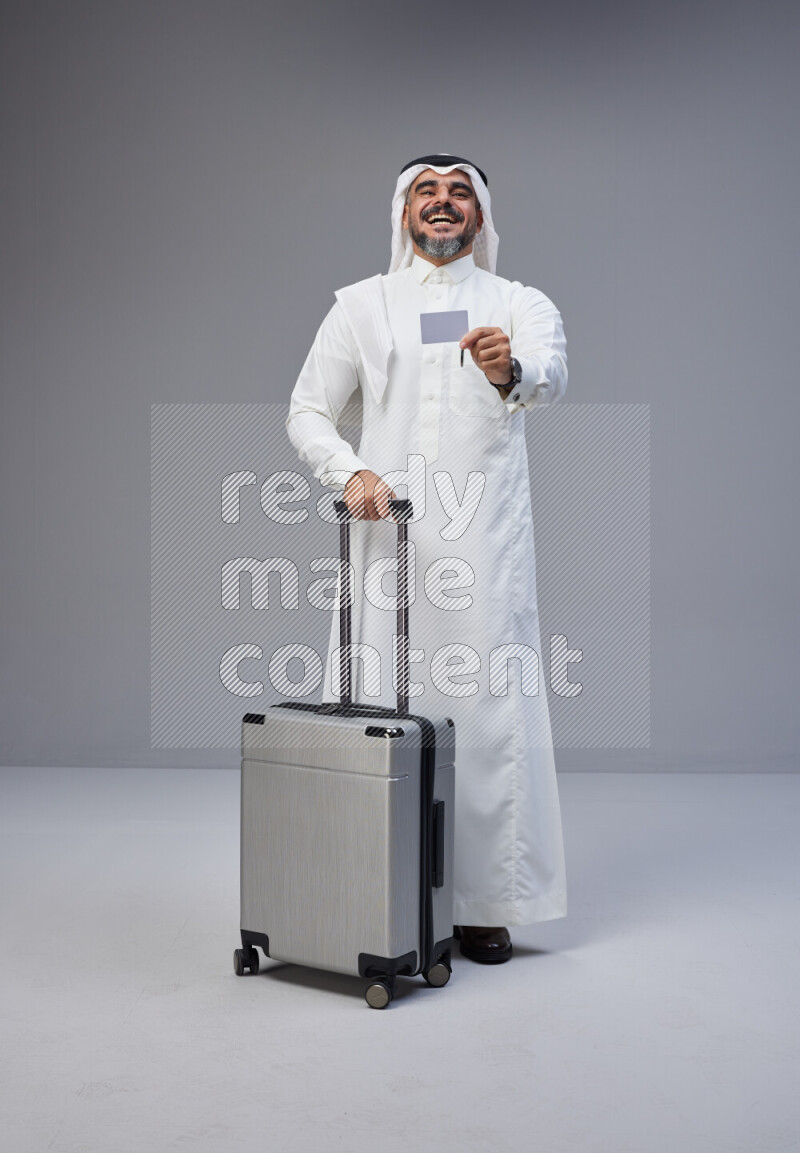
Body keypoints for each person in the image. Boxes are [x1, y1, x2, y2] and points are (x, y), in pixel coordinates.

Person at [286, 153, 567, 964]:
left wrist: (508, 367)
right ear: (403, 212)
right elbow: (307, 410)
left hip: (486, 546)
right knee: (379, 702)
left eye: (458, 193)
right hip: (389, 541)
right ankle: (375, 887)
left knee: (484, 715)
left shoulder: (518, 303)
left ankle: (480, 902)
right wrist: (350, 471)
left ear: (480, 215)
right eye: (426, 192)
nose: (441, 204)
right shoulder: (362, 306)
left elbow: (552, 374)